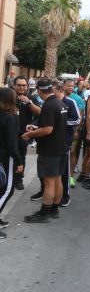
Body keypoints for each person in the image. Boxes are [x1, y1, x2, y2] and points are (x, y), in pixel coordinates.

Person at [22, 78, 68, 223]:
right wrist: (36, 127)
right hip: (61, 148)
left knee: (49, 182)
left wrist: (30, 134)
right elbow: (54, 125)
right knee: (57, 179)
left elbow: (48, 129)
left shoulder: (49, 105)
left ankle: (43, 214)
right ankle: (54, 209)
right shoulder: (60, 103)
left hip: (50, 150)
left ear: (40, 90)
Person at [0, 88, 24, 239]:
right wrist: (19, 160)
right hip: (6, 158)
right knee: (8, 190)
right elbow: (11, 143)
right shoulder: (10, 117)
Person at [13, 76, 41, 191]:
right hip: (9, 133)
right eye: (19, 85)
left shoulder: (31, 98)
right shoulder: (8, 96)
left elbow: (40, 113)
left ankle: (19, 179)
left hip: (23, 134)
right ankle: (8, 177)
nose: (21, 87)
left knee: (21, 156)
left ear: (27, 86)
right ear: (14, 85)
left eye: (24, 85)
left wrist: (28, 103)